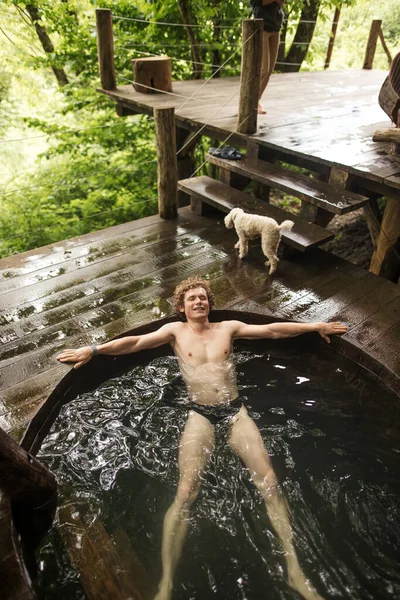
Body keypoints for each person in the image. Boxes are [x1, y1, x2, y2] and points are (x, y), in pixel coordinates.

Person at [57, 276, 347, 600]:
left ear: (209, 303)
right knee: (185, 492)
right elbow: (135, 343)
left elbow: (272, 330)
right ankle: (165, 584)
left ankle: (295, 571)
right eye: (192, 298)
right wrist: (93, 349)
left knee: (269, 482)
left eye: (203, 297)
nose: (199, 302)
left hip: (236, 412)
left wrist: (314, 326)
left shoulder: (228, 328)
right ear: (181, 308)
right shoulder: (175, 333)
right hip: (200, 414)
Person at [250, 0, 285, 114]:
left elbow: (281, 3)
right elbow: (257, 3)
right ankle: (249, 101)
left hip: (276, 29)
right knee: (264, 69)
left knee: (269, 71)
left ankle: (256, 102)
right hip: (262, 28)